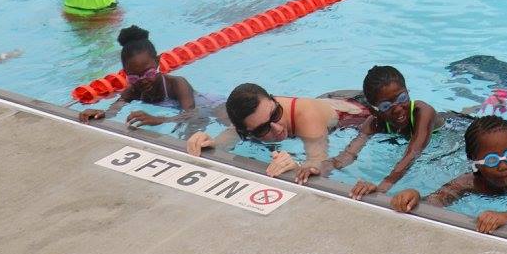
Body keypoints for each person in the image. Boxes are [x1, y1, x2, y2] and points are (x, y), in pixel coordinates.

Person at [184, 83, 370, 176]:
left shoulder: (307, 118)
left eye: (275, 114)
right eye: (263, 128)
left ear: (273, 100)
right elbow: (225, 139)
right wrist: (207, 142)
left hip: (356, 110)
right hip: (326, 100)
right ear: (247, 131)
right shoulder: (252, 118)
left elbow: (320, 166)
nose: (277, 127)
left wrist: (297, 167)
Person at [314, 65, 443, 198]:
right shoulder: (373, 123)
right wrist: (320, 168)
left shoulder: (423, 112)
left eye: (402, 98)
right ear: (374, 110)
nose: (398, 108)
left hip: (452, 133)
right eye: (386, 106)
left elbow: (413, 153)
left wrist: (381, 188)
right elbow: (349, 154)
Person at [79, 26, 223, 129]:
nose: (143, 80)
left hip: (213, 106)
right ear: (126, 73)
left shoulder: (177, 84)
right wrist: (100, 114)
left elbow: (191, 113)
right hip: (191, 114)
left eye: (148, 73)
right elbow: (114, 109)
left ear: (158, 61)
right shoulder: (133, 90)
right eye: (135, 77)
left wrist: (159, 120)